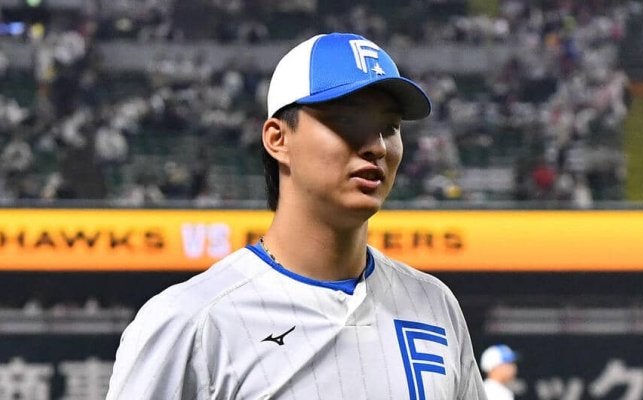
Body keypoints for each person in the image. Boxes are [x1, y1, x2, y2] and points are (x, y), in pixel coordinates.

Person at [106, 32, 487, 400]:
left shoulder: (434, 305)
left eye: (389, 127)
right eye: (347, 121)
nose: (377, 146)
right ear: (278, 138)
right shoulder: (192, 320)